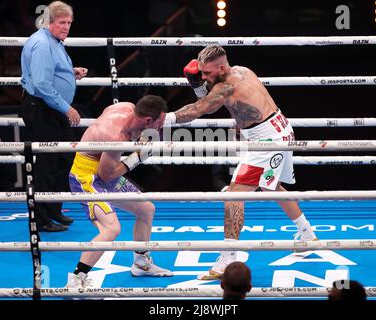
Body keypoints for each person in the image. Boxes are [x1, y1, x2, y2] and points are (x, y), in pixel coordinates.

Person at [165, 45, 318, 280]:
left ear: (221, 67)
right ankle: (308, 234)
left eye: (206, 73)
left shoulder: (226, 87)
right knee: (270, 185)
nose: (203, 77)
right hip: (280, 127)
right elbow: (233, 104)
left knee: (234, 195)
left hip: (267, 141)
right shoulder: (243, 70)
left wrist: (163, 120)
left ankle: (227, 258)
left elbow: (199, 109)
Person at [65, 95, 173, 289]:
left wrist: (139, 137)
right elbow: (105, 176)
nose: (159, 128)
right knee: (111, 228)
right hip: (87, 177)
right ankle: (76, 279)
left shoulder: (127, 107)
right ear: (149, 120)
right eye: (159, 123)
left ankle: (141, 264)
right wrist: (137, 158)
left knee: (146, 210)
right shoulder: (115, 136)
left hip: (105, 169)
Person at [20, 1, 87, 232]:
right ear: (49, 22)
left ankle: (53, 210)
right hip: (44, 109)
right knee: (48, 164)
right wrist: (66, 108)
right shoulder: (42, 44)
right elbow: (41, 84)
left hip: (52, 109)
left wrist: (71, 72)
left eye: (69, 22)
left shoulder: (54, 41)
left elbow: (51, 71)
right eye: (62, 23)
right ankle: (41, 219)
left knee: (63, 160)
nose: (66, 27)